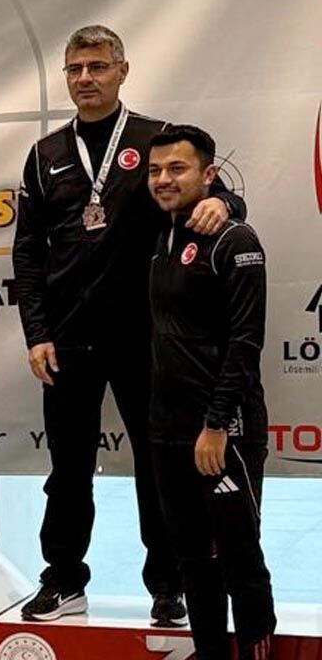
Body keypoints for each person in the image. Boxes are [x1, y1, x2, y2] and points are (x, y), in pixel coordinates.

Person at [11, 25, 247, 625]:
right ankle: (64, 578)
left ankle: (168, 585)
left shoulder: (153, 140)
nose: (85, 78)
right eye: (75, 69)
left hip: (147, 340)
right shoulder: (44, 154)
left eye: (97, 66)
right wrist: (37, 332)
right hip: (67, 339)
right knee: (68, 470)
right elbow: (27, 252)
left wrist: (225, 204)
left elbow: (215, 194)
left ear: (122, 70)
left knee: (157, 466)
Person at [146, 125, 274, 660]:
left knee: (239, 558)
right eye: (155, 170)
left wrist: (217, 423)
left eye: (177, 169)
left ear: (209, 175)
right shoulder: (163, 236)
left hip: (222, 430)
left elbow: (246, 343)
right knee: (193, 560)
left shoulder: (235, 240)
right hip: (168, 430)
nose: (163, 179)